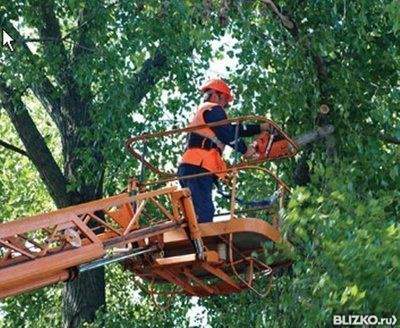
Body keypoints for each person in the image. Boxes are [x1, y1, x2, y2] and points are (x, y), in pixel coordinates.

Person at [177, 78, 270, 223]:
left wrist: (259, 128)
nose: (225, 106)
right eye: (225, 100)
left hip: (193, 166)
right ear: (215, 95)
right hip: (198, 166)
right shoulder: (213, 109)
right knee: (204, 211)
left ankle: (196, 239)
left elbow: (233, 129)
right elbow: (227, 133)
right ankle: (200, 243)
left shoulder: (206, 113)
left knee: (197, 210)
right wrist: (245, 150)